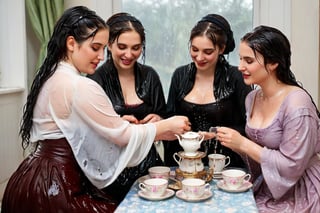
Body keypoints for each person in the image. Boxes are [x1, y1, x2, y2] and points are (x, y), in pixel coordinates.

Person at [1, 6, 191, 213]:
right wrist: (165, 126)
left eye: (102, 48)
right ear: (71, 43)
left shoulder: (53, 76)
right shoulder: (80, 85)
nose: (101, 56)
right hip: (56, 185)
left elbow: (81, 132)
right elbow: (121, 134)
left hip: (31, 176)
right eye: (95, 48)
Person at [215, 25, 320, 212]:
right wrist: (231, 141)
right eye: (240, 59)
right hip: (268, 188)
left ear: (273, 63)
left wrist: (243, 144)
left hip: (302, 192)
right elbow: (260, 157)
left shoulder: (298, 104)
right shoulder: (252, 98)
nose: (240, 67)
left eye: (248, 60)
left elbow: (292, 166)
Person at [87, 12, 167, 203]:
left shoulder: (150, 76)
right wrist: (116, 125)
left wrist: (159, 120)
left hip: (149, 167)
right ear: (109, 44)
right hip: (111, 170)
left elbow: (166, 118)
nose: (129, 54)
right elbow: (87, 135)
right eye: (122, 47)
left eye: (136, 48)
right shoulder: (95, 81)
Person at [164, 14, 252, 167]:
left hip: (226, 164)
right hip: (185, 162)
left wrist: (214, 133)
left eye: (208, 52)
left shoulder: (236, 77)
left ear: (221, 49)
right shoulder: (180, 75)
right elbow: (170, 118)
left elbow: (249, 127)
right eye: (194, 49)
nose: (199, 57)